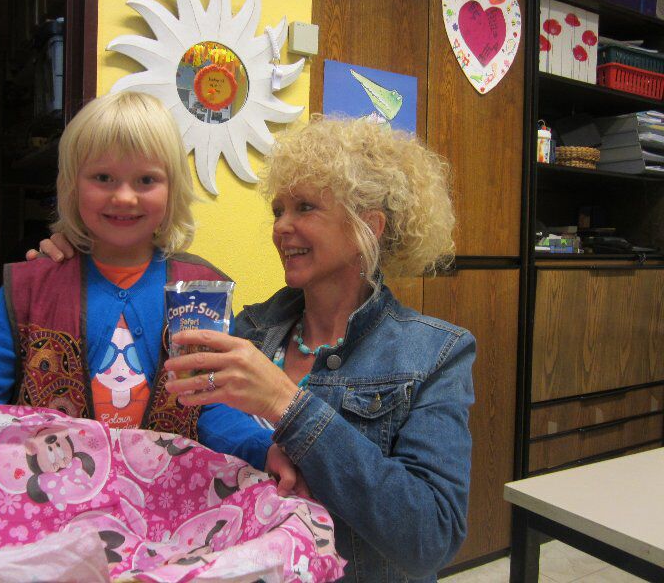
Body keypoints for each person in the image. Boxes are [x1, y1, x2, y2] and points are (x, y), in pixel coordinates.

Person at [36, 115, 476, 582]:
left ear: (367, 226)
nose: (281, 226)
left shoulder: (433, 353)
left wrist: (288, 405)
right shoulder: (246, 330)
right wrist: (83, 256)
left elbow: (431, 538)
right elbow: (172, 432)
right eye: (278, 210)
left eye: (304, 207)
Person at [0, 91, 291, 479]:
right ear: (72, 185)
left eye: (146, 180)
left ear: (173, 189)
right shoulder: (27, 288)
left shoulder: (202, 290)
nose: (123, 197)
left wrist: (263, 450)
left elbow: (214, 405)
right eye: (103, 178)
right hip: (47, 495)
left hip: (163, 498)